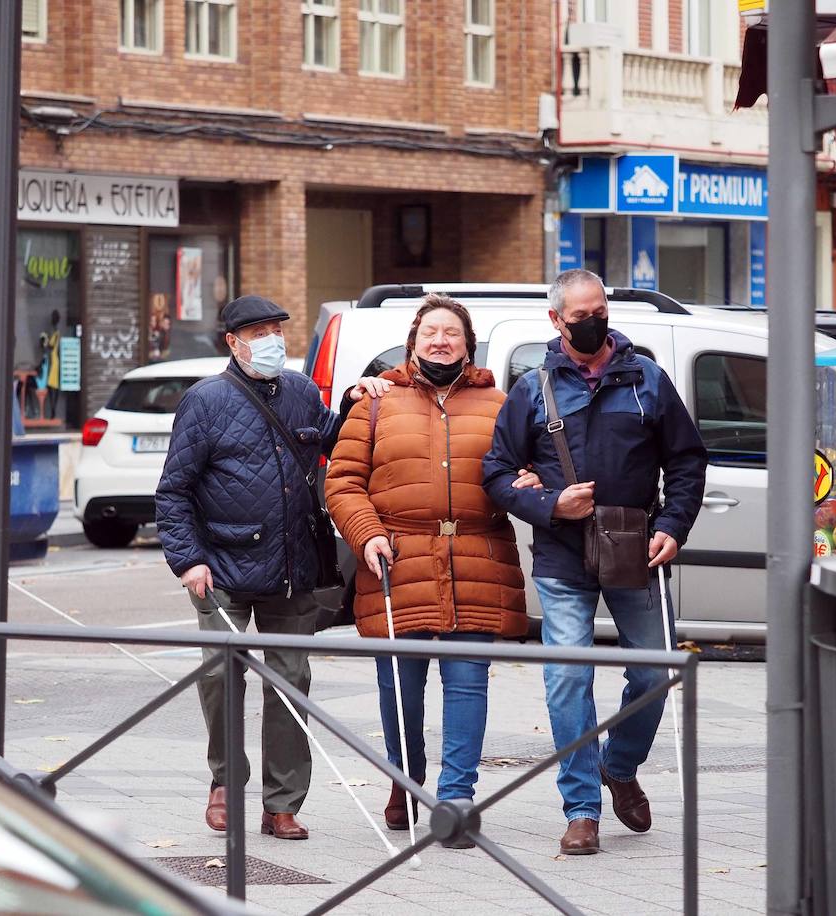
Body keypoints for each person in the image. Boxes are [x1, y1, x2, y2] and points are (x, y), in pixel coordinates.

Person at [482, 269, 707, 856]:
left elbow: (686, 462)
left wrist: (673, 527)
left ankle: (621, 764)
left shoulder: (647, 379)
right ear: (556, 321)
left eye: (599, 309)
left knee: (656, 672)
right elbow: (497, 474)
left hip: (638, 546)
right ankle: (581, 809)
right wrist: (548, 503)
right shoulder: (532, 388)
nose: (594, 321)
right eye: (580, 315)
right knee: (566, 681)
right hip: (562, 553)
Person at [156, 294, 389, 842]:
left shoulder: (303, 393)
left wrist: (361, 398)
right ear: (232, 343)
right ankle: (224, 782)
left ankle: (281, 803)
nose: (272, 341)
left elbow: (335, 438)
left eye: (277, 330)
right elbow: (173, 492)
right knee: (219, 674)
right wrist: (188, 561)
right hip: (220, 564)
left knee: (290, 682)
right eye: (258, 332)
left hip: (291, 564)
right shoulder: (205, 401)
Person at [325, 294, 538, 848]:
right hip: (397, 560)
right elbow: (343, 482)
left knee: (467, 686)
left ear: (468, 343)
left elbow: (524, 467)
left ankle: (456, 798)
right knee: (401, 687)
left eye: (452, 332)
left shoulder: (501, 402)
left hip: (476, 558)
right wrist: (367, 533)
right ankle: (405, 780)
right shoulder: (375, 403)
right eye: (430, 333)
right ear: (413, 342)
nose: (441, 341)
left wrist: (532, 483)